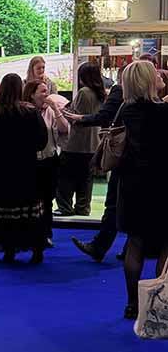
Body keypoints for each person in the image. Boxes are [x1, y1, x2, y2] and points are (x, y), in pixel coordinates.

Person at [108, 61, 168, 320]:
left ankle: (132, 303)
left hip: (131, 182)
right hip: (162, 182)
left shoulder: (126, 109)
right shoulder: (165, 112)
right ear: (148, 80)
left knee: (135, 241)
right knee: (166, 242)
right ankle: (158, 302)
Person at [0, 73, 48, 263]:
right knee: (29, 210)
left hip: (0, 171)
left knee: (4, 210)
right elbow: (42, 142)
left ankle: (9, 250)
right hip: (27, 170)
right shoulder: (31, 112)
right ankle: (36, 251)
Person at [64, 68, 127, 263]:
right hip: (140, 160)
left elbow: (102, 117)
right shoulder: (154, 102)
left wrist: (80, 118)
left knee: (113, 203)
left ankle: (100, 247)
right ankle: (131, 247)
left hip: (88, 148)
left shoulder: (117, 92)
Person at [55, 62, 104, 217]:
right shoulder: (101, 93)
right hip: (93, 144)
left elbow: (76, 118)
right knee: (86, 180)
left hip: (76, 143)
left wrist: (62, 110)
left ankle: (65, 208)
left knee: (65, 178)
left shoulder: (84, 92)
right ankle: (83, 208)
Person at [23, 80, 69, 246]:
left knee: (47, 200)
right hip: (30, 162)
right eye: (42, 91)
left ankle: (45, 234)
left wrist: (56, 109)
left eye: (47, 91)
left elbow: (64, 129)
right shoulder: (24, 112)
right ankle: (29, 233)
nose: (46, 94)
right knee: (30, 200)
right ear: (32, 94)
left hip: (49, 160)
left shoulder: (50, 110)